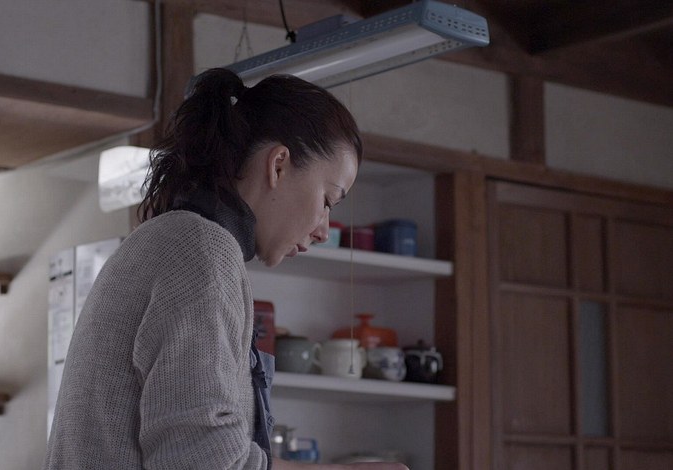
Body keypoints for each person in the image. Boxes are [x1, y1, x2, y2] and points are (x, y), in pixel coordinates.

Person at [44, 68, 408, 470]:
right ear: (279, 165)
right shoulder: (201, 250)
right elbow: (203, 460)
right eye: (327, 200)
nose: (324, 229)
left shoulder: (173, 238)